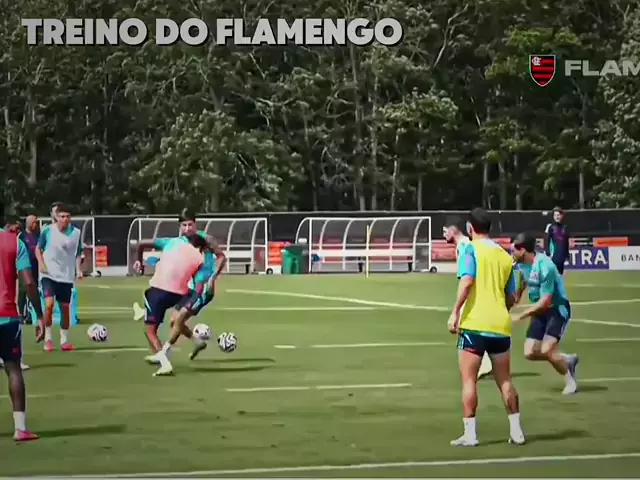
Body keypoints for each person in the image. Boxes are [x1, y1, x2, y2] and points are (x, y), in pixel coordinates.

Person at [447, 208, 524, 446]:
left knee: (469, 380)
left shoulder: (470, 249)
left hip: (474, 324)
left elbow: (467, 281)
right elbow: (511, 297)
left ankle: (470, 434)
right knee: (505, 380)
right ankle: (516, 431)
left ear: (470, 228)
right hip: (500, 326)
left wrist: (455, 311)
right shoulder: (504, 255)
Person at [133, 209, 226, 361]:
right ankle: (196, 342)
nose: (187, 228)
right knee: (174, 321)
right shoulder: (179, 242)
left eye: (190, 225)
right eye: (184, 225)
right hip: (189, 288)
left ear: (195, 224)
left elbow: (221, 256)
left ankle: (163, 354)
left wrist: (213, 277)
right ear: (180, 226)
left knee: (177, 320)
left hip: (202, 289)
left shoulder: (205, 239)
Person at [133, 233, 211, 376]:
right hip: (180, 295)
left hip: (157, 291)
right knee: (176, 321)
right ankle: (162, 354)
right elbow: (199, 287)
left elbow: (141, 243)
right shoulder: (201, 259)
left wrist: (139, 261)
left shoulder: (172, 242)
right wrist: (189, 304)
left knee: (149, 330)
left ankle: (164, 362)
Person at [512, 232, 579, 395]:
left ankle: (570, 381)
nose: (511, 253)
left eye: (514, 250)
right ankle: (566, 359)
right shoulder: (521, 263)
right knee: (530, 352)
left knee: (547, 350)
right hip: (541, 311)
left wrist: (521, 315)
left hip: (557, 309)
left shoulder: (545, 266)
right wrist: (517, 295)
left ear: (522, 250)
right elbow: (524, 279)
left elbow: (546, 301)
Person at [0, 215, 43, 441]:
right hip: (7, 316)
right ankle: (20, 428)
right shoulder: (14, 243)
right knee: (13, 368)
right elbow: (28, 282)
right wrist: (39, 315)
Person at [444, 220, 492, 380]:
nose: (444, 235)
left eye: (446, 232)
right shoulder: (463, 244)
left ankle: (481, 364)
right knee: (465, 327)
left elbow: (470, 273)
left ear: (453, 232)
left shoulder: (465, 245)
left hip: (471, 292)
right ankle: (482, 363)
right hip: (472, 291)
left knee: (465, 326)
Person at [34, 204, 83, 352]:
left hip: (66, 275)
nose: (65, 219)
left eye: (67, 216)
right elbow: (38, 249)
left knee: (65, 308)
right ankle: (48, 338)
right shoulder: (48, 230)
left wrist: (79, 270)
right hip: (48, 274)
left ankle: (64, 340)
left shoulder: (76, 233)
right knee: (49, 305)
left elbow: (78, 253)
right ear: (57, 217)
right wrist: (41, 263)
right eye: (62, 216)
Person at [544, 207, 570, 275]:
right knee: (552, 276)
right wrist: (547, 253)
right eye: (555, 215)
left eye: (558, 215)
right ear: (553, 216)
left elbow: (566, 243)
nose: (557, 217)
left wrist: (567, 256)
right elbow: (547, 241)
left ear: (561, 216)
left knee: (560, 276)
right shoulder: (551, 227)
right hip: (553, 256)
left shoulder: (565, 228)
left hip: (562, 256)